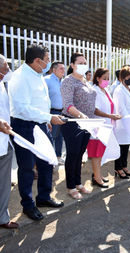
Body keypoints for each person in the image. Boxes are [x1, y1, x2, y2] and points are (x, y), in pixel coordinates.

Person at [9, 44, 65, 221]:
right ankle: (28, 205)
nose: (48, 64)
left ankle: (44, 197)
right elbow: (22, 109)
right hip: (23, 126)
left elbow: (41, 100)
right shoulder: (20, 77)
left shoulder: (38, 74)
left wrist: (45, 120)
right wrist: (48, 117)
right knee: (26, 167)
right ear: (37, 61)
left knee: (46, 162)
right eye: (47, 60)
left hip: (40, 124)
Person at [61, 52, 96, 199]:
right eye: (80, 62)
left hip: (87, 124)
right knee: (73, 154)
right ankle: (71, 186)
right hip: (73, 123)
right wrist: (81, 116)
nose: (83, 65)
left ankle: (78, 183)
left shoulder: (85, 81)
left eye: (85, 62)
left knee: (81, 154)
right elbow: (67, 104)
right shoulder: (68, 81)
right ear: (72, 65)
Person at [87, 68, 124, 187]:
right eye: (104, 78)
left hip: (106, 126)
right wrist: (110, 115)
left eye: (108, 78)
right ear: (97, 78)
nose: (107, 81)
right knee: (96, 154)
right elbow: (95, 110)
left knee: (101, 153)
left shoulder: (106, 90)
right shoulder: (95, 91)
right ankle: (97, 178)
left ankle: (98, 175)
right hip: (98, 126)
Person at [0, 54, 19, 229]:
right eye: (5, 66)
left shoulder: (2, 84)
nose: (8, 70)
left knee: (4, 182)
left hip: (5, 141)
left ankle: (2, 217)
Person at [113, 66, 130, 177]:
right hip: (123, 123)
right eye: (128, 77)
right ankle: (118, 168)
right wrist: (129, 120)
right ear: (122, 77)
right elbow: (121, 109)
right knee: (120, 147)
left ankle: (124, 166)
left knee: (126, 147)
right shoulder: (119, 90)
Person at [44, 61, 66, 165]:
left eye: (64, 68)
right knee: (50, 136)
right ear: (54, 70)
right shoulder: (46, 80)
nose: (63, 70)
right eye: (61, 68)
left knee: (60, 136)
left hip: (62, 112)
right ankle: (49, 158)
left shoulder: (63, 81)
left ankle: (58, 156)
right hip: (51, 112)